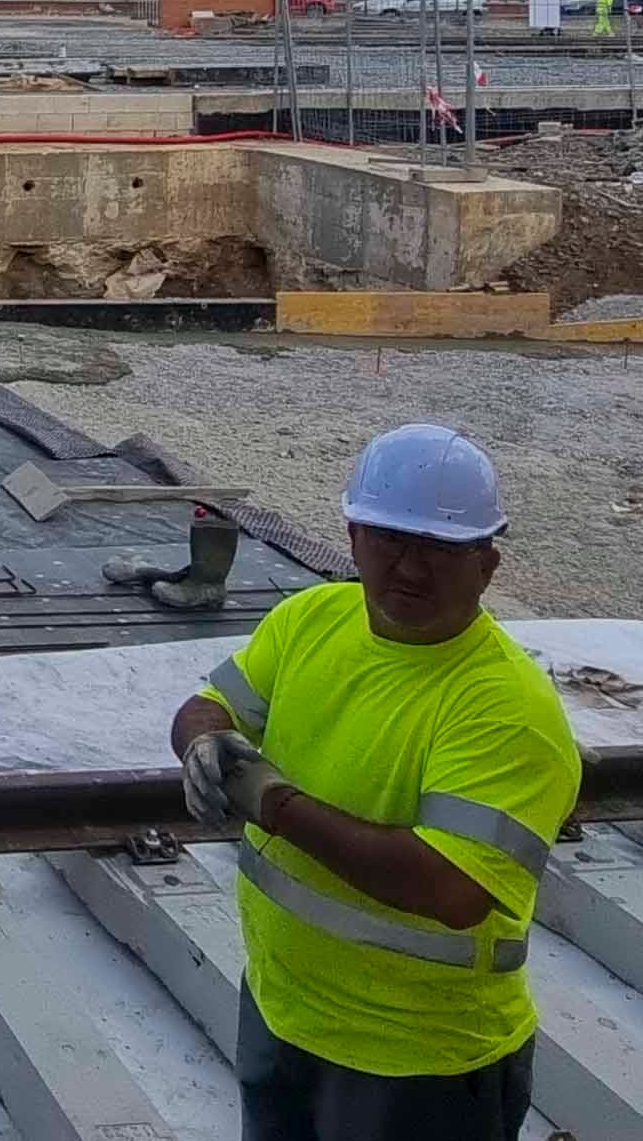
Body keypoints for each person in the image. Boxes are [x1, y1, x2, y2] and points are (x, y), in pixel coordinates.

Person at [171, 424, 580, 1141]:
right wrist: (204, 738)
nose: (411, 570)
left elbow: (448, 889)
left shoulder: (505, 706)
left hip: (421, 1064)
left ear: (487, 564)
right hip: (281, 1012)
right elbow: (212, 703)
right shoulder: (312, 621)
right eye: (391, 540)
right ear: (353, 535)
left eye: (441, 550)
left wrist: (273, 801)